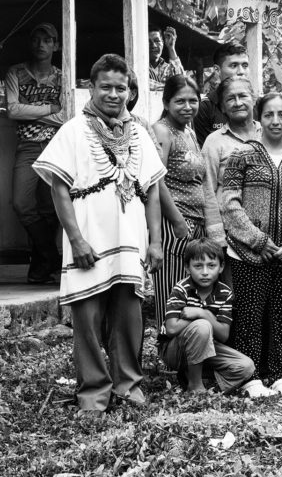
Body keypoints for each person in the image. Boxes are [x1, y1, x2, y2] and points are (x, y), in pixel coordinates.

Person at [32, 54, 165, 413]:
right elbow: (58, 189)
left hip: (130, 242)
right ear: (92, 87)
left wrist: (155, 241)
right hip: (89, 240)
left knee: (129, 317)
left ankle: (129, 386)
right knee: (87, 320)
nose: (113, 94)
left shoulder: (138, 133)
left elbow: (151, 190)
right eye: (105, 86)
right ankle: (93, 392)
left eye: (120, 88)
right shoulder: (73, 130)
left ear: (129, 91)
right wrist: (76, 240)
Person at [219, 92, 282, 399]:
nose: (276, 121)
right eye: (269, 115)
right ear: (258, 119)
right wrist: (257, 240)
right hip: (249, 252)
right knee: (250, 314)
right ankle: (250, 378)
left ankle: (278, 376)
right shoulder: (242, 154)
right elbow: (228, 201)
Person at [150, 75, 225, 333]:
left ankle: (189, 350)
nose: (187, 106)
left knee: (190, 291)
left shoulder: (190, 132)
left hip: (196, 225)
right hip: (175, 224)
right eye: (179, 101)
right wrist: (178, 221)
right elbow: (156, 180)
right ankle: (167, 346)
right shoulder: (161, 131)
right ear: (166, 102)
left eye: (193, 100)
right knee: (171, 289)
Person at [6, 22, 66, 284]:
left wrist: (32, 110)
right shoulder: (15, 73)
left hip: (55, 147)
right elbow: (13, 111)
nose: (41, 44)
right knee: (21, 203)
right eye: (36, 39)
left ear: (56, 45)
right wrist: (48, 108)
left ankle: (42, 267)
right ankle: (52, 258)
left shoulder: (62, 76)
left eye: (47, 40)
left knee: (49, 207)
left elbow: (65, 116)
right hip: (28, 147)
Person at [159, 238, 255, 393]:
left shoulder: (224, 293)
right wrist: (201, 321)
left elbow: (223, 335)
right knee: (202, 327)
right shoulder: (181, 289)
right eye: (198, 266)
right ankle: (195, 386)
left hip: (207, 347)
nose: (205, 272)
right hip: (175, 350)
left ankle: (199, 380)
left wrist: (202, 313)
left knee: (246, 366)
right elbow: (171, 329)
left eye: (211, 266)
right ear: (187, 268)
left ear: (221, 267)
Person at [201, 77, 259, 190]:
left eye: (243, 96)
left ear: (254, 99)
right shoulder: (214, 142)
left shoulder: (268, 134)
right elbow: (207, 189)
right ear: (222, 107)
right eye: (230, 99)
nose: (238, 103)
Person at [193, 40, 249, 145]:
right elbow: (204, 154)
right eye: (234, 65)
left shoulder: (256, 104)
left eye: (245, 65)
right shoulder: (205, 107)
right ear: (217, 70)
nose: (241, 71)